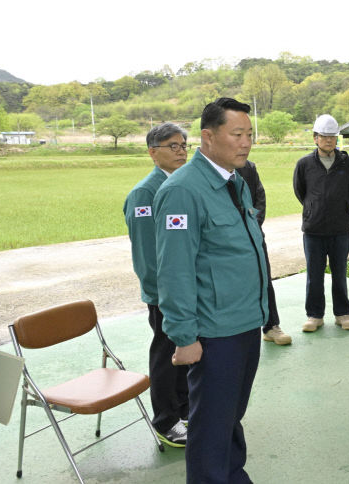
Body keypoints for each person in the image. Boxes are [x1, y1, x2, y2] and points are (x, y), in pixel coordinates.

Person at [154, 97, 268, 483]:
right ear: (208, 136)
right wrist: (184, 337)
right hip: (214, 331)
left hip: (244, 321)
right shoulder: (184, 190)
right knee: (210, 423)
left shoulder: (235, 181)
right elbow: (174, 271)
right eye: (237, 134)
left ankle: (232, 475)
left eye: (249, 134)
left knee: (230, 415)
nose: (246, 143)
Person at [123, 122, 189, 447]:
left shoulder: (180, 187)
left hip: (187, 291)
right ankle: (166, 420)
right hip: (166, 295)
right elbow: (148, 257)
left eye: (183, 145)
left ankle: (186, 411)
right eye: (172, 146)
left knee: (187, 351)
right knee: (166, 353)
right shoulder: (144, 194)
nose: (181, 151)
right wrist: (166, 297)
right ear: (153, 152)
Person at [293, 114, 349, 332]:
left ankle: (342, 313)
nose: (329, 140)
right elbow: (300, 191)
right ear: (315, 138)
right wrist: (313, 208)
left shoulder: (347, 163)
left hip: (341, 228)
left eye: (333, 137)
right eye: (324, 136)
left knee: (340, 273)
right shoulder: (304, 164)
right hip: (314, 229)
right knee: (314, 275)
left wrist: (341, 207)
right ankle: (314, 316)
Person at [236, 160, 292, 345]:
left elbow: (260, 198)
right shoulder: (206, 172)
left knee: (263, 280)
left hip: (253, 235)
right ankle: (238, 329)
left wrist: (252, 225)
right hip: (223, 240)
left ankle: (271, 326)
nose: (244, 143)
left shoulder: (248, 167)